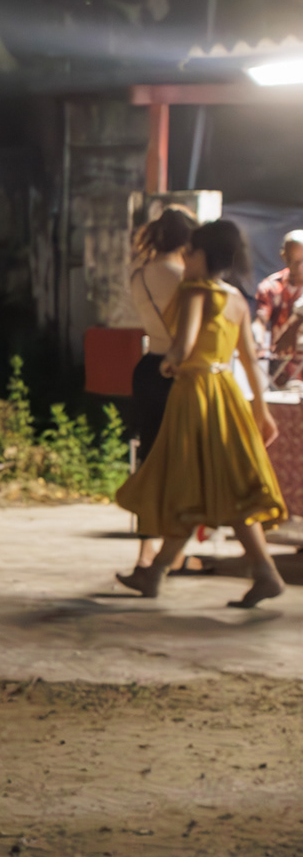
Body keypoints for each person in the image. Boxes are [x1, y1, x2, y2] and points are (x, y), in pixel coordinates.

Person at [116, 220, 287, 608]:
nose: (185, 258)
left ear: (201, 256)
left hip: (194, 394)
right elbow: (249, 359)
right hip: (226, 394)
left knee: (189, 484)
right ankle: (162, 573)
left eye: (189, 252)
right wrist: (262, 412)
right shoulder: (237, 299)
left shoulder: (195, 292)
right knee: (220, 486)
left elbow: (183, 346)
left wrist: (169, 363)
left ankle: (158, 573)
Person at [126, 206, 198, 574]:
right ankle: (175, 549)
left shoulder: (139, 275)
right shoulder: (188, 279)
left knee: (149, 459)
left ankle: (146, 551)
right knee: (182, 463)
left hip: (147, 370)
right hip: (179, 372)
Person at [254, 229, 303, 388]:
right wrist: (256, 336)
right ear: (284, 257)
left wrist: (292, 327)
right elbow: (261, 319)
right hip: (281, 372)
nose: (300, 268)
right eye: (294, 261)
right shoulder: (272, 286)